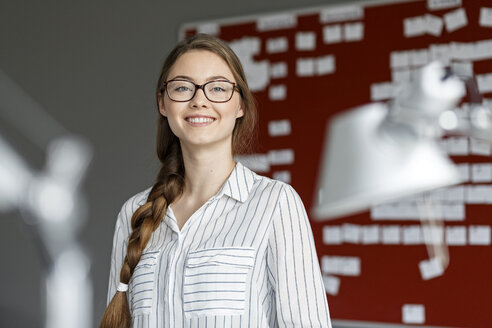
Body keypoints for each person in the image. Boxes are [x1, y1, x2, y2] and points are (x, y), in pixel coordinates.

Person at [100, 33, 332, 328]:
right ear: (163, 104)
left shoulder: (275, 204)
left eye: (218, 88)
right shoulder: (134, 212)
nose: (199, 100)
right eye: (183, 87)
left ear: (240, 106)